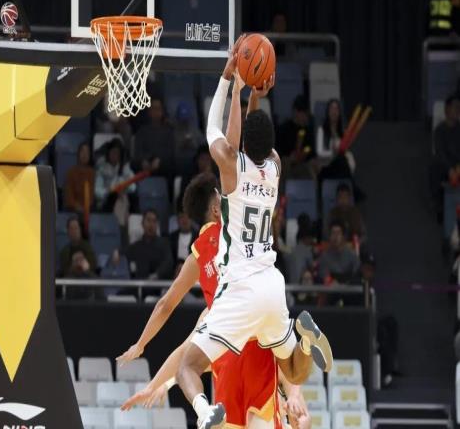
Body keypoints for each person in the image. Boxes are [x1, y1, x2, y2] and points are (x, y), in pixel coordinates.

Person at [175, 36, 332, 429]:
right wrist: (254, 95)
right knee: (293, 371)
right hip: (272, 285)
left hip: (241, 289)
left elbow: (215, 129)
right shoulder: (275, 166)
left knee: (187, 368)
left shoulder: (231, 168)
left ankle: (204, 411)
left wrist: (229, 78)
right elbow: (252, 139)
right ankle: (305, 336)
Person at [117, 173, 311, 428]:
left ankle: (203, 410)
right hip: (257, 333)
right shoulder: (237, 230)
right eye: (221, 196)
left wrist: (142, 349)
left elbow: (166, 307)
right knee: (285, 357)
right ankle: (305, 349)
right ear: (216, 209)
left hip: (225, 336)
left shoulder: (196, 256)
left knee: (189, 362)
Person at [277, 95, 317, 184]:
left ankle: (313, 191)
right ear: (295, 112)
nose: (305, 118)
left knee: (312, 166)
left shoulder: (308, 130)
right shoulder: (284, 128)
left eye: (306, 115)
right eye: (303, 114)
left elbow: (311, 150)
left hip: (305, 163)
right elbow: (279, 150)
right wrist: (289, 158)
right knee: (284, 164)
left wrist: (305, 154)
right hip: (288, 163)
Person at [132, 98, 176, 178]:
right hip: (145, 164)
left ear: (162, 112)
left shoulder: (168, 131)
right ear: (149, 112)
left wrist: (159, 159)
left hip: (162, 165)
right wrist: (143, 160)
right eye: (153, 109)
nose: (156, 112)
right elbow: (138, 150)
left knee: (172, 164)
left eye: (158, 109)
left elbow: (170, 151)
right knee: (134, 164)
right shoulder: (142, 131)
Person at [126, 209, 174, 282]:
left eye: (154, 221)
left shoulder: (164, 244)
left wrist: (156, 275)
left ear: (157, 225)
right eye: (148, 220)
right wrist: (117, 252)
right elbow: (124, 254)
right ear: (142, 224)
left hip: (159, 285)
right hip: (139, 284)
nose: (151, 225)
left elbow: (168, 262)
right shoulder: (136, 246)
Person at [94, 139, 137, 212]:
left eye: (117, 153)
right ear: (108, 153)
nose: (115, 155)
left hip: (122, 200)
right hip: (106, 202)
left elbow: (133, 187)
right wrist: (109, 191)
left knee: (132, 198)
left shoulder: (125, 168)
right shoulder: (101, 169)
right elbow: (97, 191)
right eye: (113, 152)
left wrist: (123, 188)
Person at [318, 221, 360, 285]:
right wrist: (331, 282)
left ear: (343, 236)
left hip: (350, 289)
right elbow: (323, 277)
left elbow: (357, 276)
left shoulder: (352, 256)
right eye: (333, 233)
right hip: (331, 289)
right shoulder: (324, 257)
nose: (335, 236)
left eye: (338, 233)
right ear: (329, 236)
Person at [174, 100, 205, 177]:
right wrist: (183, 144)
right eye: (182, 120)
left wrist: (193, 143)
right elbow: (173, 151)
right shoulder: (174, 132)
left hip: (195, 164)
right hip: (180, 164)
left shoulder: (195, 131)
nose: (184, 122)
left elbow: (203, 147)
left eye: (186, 119)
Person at [63, 142, 95, 214]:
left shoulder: (92, 173)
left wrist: (86, 207)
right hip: (72, 210)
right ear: (78, 154)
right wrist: (77, 207)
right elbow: (69, 196)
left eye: (87, 152)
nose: (84, 154)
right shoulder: (71, 172)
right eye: (82, 151)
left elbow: (91, 195)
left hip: (89, 210)